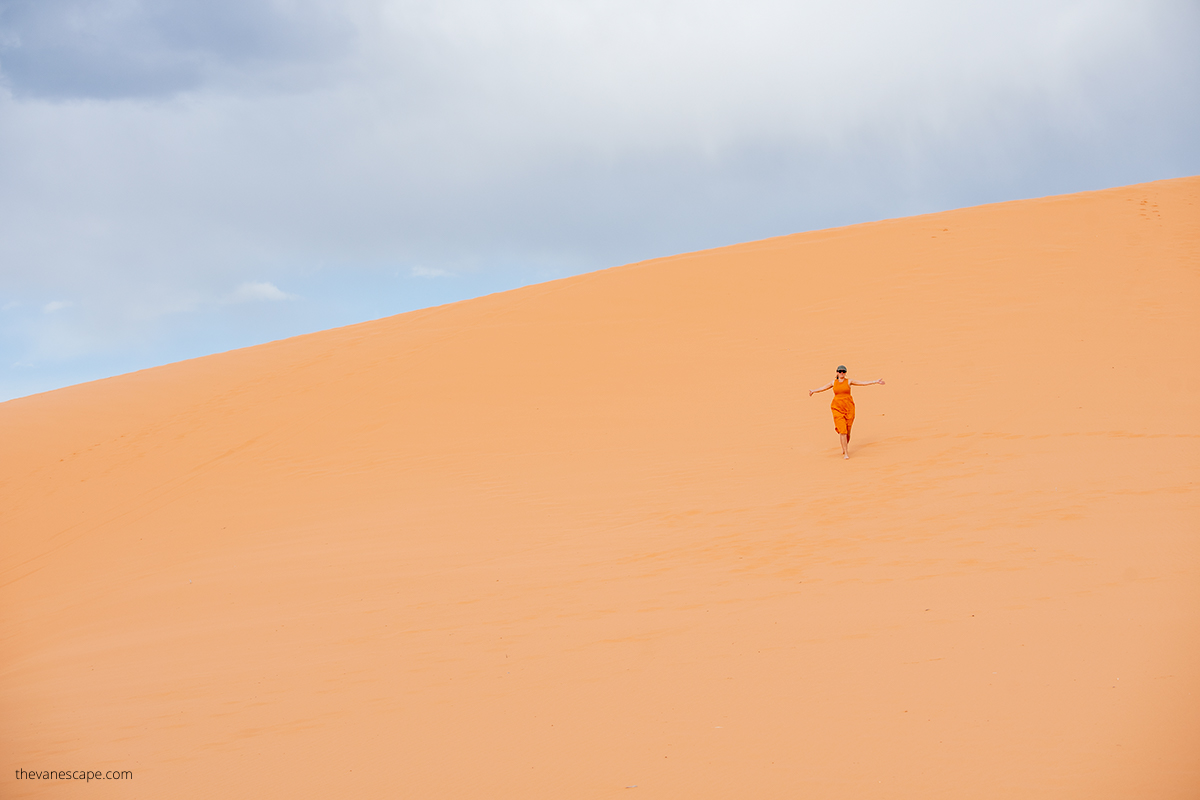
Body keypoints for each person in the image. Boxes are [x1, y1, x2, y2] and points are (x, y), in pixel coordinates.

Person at [809, 365, 885, 459]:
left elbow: (862, 383)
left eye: (843, 371)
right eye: (840, 371)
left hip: (849, 407)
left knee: (848, 431)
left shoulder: (849, 381)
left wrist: (875, 381)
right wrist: (813, 391)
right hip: (837, 407)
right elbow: (823, 388)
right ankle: (846, 452)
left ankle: (844, 446)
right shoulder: (833, 382)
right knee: (842, 431)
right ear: (836, 372)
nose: (842, 373)